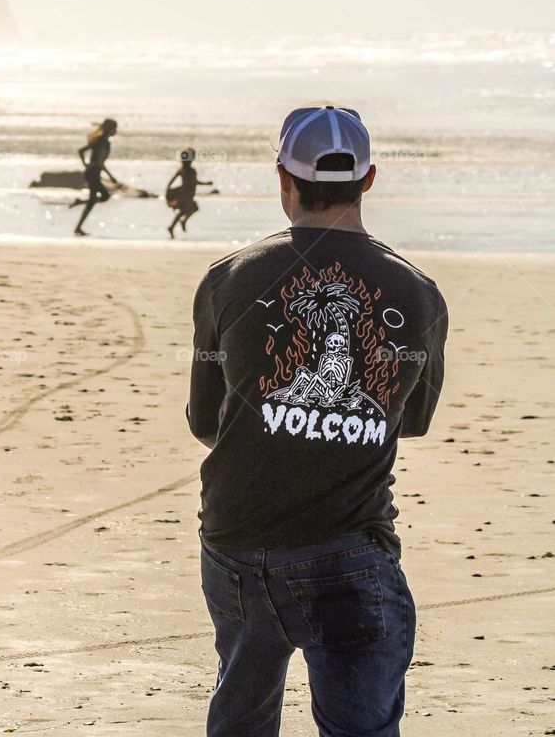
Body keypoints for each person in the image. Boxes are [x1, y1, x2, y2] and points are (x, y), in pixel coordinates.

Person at [187, 105, 448, 737]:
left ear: (284, 178)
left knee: (241, 719)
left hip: (237, 542)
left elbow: (204, 418)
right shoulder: (417, 293)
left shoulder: (228, 279)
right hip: (347, 550)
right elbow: (409, 419)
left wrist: (278, 415)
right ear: (368, 180)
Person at [69, 118, 120, 236]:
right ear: (110, 129)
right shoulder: (105, 143)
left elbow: (81, 151)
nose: (116, 131)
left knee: (103, 197)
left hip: (90, 172)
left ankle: (80, 208)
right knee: (98, 199)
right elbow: (100, 163)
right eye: (115, 128)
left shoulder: (98, 141)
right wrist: (112, 177)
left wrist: (85, 165)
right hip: (93, 173)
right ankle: (78, 227)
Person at [166, 147, 213, 238]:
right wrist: (206, 183)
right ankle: (177, 224)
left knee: (186, 210)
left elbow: (170, 182)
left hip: (184, 194)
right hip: (186, 194)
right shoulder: (191, 171)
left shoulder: (182, 170)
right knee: (191, 208)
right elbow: (195, 182)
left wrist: (167, 192)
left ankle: (174, 225)